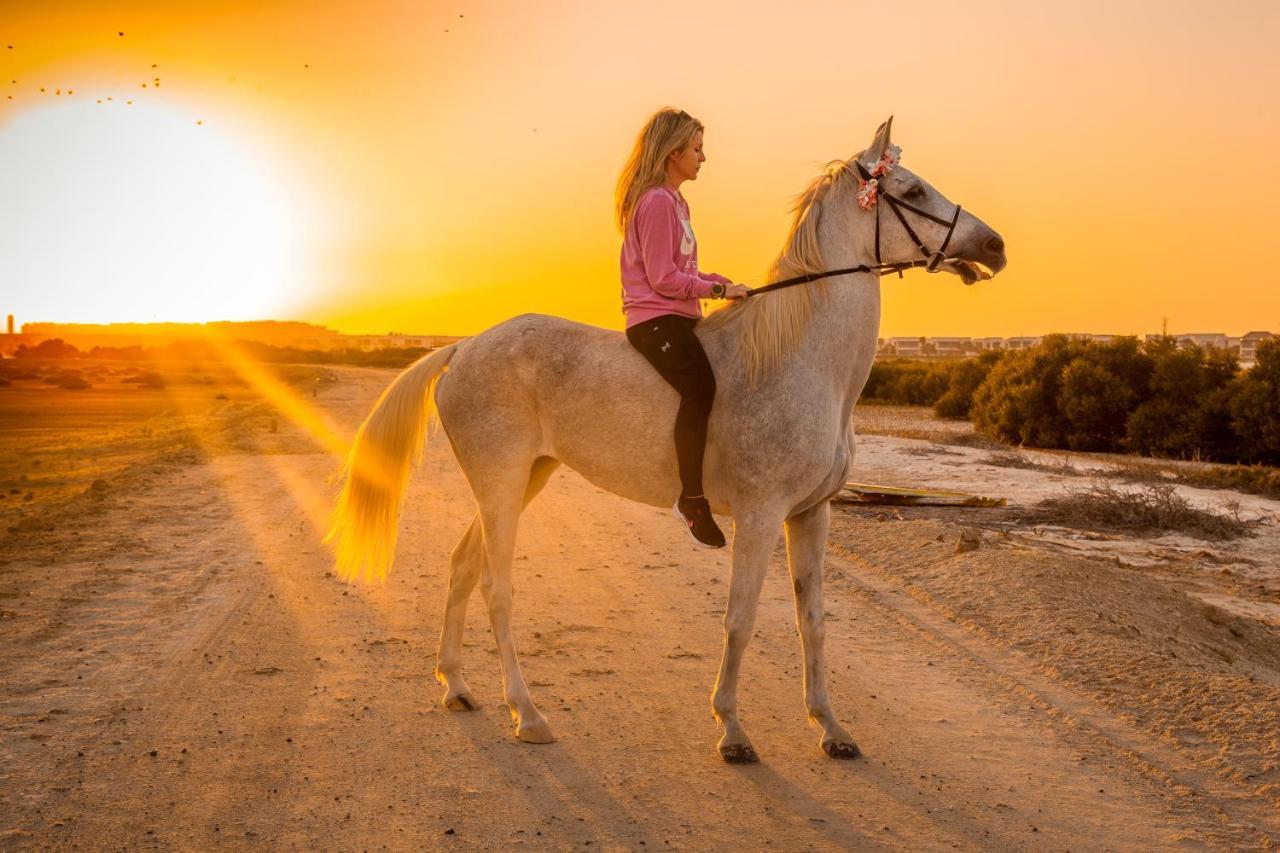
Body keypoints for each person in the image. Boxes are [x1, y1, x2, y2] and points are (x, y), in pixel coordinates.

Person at [615, 108, 749, 549]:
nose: (703, 158)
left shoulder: (677, 201)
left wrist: (720, 283)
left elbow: (681, 269)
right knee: (700, 389)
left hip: (679, 315)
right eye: (696, 149)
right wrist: (714, 290)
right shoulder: (655, 201)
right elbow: (662, 279)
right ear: (673, 152)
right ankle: (691, 499)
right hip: (655, 320)